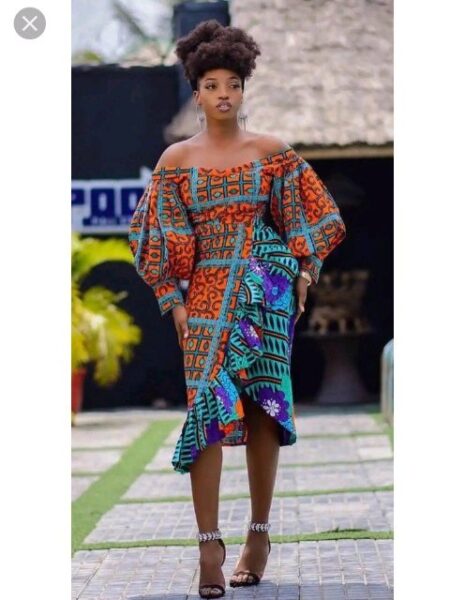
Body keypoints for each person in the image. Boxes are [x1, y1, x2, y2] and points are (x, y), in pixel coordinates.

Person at [128, 19, 346, 599]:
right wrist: (172, 301)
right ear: (196, 94)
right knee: (206, 410)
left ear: (244, 89)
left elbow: (314, 218)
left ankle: (258, 536)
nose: (223, 94)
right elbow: (153, 235)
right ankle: (208, 547)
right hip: (204, 295)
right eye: (211, 85)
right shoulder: (176, 160)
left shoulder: (272, 153)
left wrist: (304, 273)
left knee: (262, 409)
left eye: (233, 83)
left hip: (267, 291)